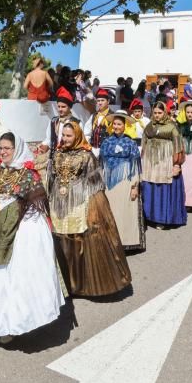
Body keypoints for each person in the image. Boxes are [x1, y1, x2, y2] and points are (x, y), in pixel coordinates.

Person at [0, 132, 63, 343]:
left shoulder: (28, 175)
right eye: (0, 148)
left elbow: (37, 205)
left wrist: (24, 230)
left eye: (7, 148)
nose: (3, 152)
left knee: (8, 282)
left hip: (17, 233)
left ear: (16, 149)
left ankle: (11, 324)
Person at [49, 121, 132, 295]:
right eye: (63, 135)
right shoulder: (57, 153)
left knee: (78, 244)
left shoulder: (87, 156)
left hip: (80, 204)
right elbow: (52, 179)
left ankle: (81, 285)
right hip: (59, 205)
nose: (65, 139)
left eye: (69, 135)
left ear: (77, 135)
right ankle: (66, 285)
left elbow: (96, 183)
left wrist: (94, 208)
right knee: (62, 244)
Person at [100, 112, 147, 251]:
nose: (116, 126)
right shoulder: (106, 142)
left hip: (126, 182)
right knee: (112, 212)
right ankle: (112, 242)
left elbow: (136, 167)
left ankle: (127, 241)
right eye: (114, 124)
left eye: (119, 124)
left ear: (124, 126)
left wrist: (135, 187)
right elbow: (101, 165)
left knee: (125, 212)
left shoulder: (130, 143)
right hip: (110, 184)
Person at [140, 100, 188, 227]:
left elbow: (179, 146)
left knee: (163, 190)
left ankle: (163, 219)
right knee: (150, 188)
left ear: (165, 112)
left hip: (165, 163)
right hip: (150, 164)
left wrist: (177, 164)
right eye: (155, 112)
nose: (157, 115)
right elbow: (144, 144)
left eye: (159, 113)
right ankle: (149, 217)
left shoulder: (172, 126)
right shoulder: (149, 126)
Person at [39, 87, 81, 163]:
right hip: (54, 158)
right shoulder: (53, 121)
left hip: (70, 160)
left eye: (63, 107)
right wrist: (45, 146)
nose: (60, 109)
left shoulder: (76, 123)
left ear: (69, 107)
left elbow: (80, 142)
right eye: (59, 106)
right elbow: (49, 138)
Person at [88, 87, 115, 155]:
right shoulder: (94, 116)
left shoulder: (113, 116)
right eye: (98, 101)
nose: (100, 103)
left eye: (102, 100)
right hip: (93, 150)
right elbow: (87, 133)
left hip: (107, 151)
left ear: (108, 101)